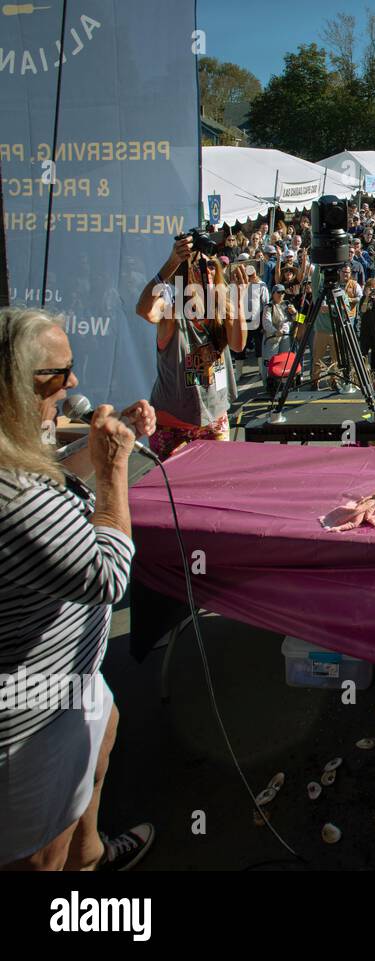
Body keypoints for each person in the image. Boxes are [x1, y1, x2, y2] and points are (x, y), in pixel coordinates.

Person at [0, 307, 159, 871]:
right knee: (43, 854)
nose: (71, 385)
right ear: (12, 384)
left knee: (104, 734)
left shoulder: (15, 448)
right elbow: (108, 574)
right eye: (55, 375)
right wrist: (114, 468)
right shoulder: (9, 490)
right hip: (29, 720)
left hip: (71, 680)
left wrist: (99, 450)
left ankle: (90, 852)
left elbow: (55, 479)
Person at [134, 233, 246, 459]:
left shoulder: (221, 308)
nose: (207, 271)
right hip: (173, 424)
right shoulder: (173, 310)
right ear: (186, 272)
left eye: (212, 266)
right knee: (175, 490)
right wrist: (172, 263)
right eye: (199, 265)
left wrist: (238, 300)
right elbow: (144, 310)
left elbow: (237, 345)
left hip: (214, 418)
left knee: (213, 487)